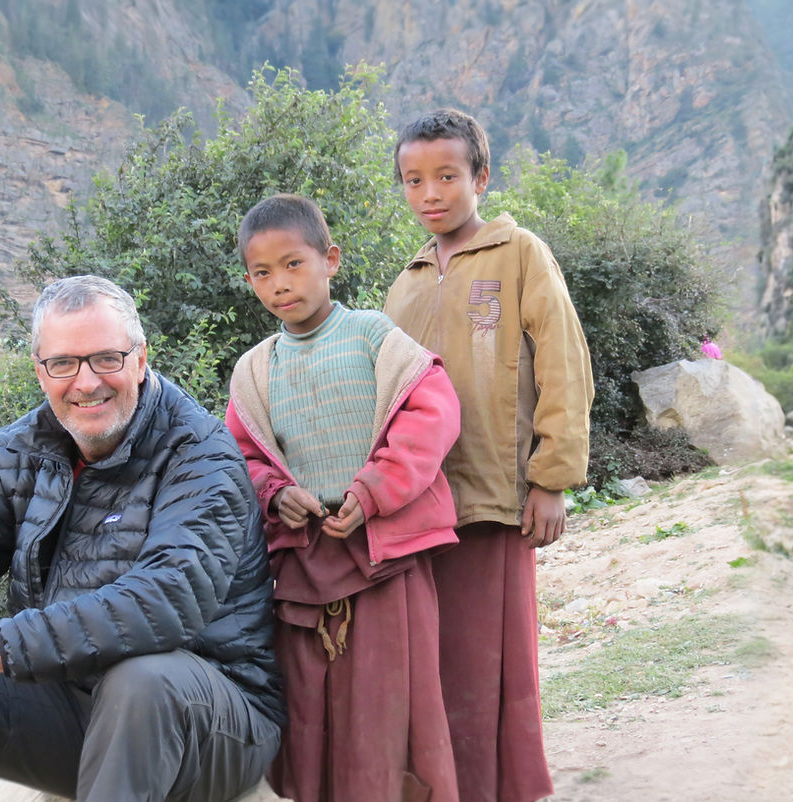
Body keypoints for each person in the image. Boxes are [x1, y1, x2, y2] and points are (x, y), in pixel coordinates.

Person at [0, 276, 283, 802]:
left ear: (140, 359)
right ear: (40, 371)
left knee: (142, 681)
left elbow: (167, 599)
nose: (86, 382)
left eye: (106, 358)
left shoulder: (200, 454)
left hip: (210, 722)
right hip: (73, 709)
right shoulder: (21, 450)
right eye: (63, 363)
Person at [383, 109, 594, 802]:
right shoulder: (405, 283)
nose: (430, 193)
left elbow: (564, 365)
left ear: (480, 177)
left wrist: (551, 479)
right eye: (414, 179)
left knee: (490, 666)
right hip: (419, 507)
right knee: (430, 668)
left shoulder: (519, 253)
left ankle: (499, 789)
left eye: (446, 176)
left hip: (496, 500)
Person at [224, 194, 461, 802]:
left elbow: (432, 416)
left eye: (294, 264)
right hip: (303, 564)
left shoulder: (373, 337)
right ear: (249, 281)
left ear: (330, 260)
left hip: (383, 554)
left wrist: (374, 490)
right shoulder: (255, 371)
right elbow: (240, 458)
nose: (280, 283)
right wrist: (276, 495)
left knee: (390, 702)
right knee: (309, 709)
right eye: (262, 272)